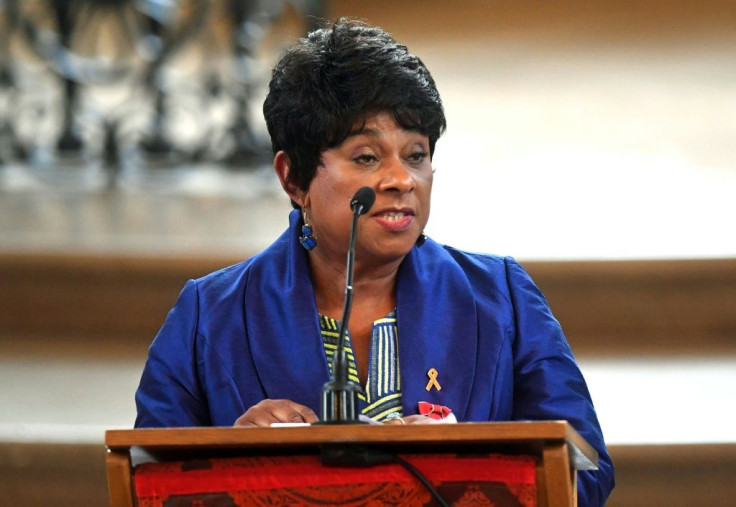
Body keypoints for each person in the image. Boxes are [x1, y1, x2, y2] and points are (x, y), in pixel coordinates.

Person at [135, 18, 614, 504]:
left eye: (416, 154)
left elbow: (586, 471)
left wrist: (466, 460)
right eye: (367, 157)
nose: (401, 180)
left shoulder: (501, 297)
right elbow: (148, 485)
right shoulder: (209, 315)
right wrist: (229, 459)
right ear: (293, 178)